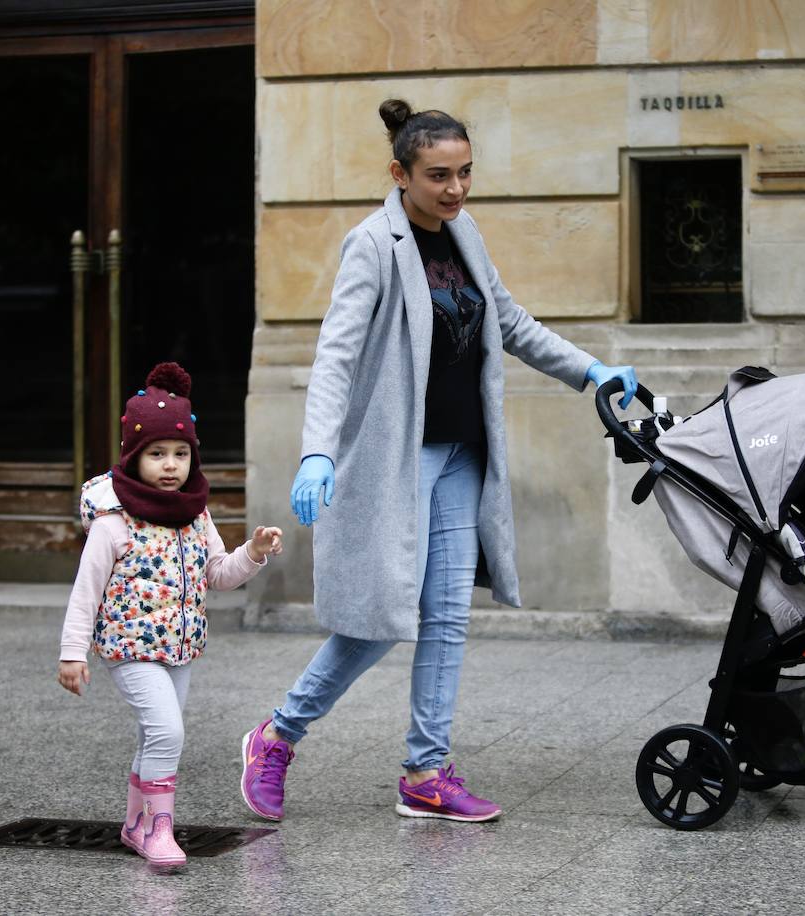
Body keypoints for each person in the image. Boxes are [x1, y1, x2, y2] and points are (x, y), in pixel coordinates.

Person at [239, 99, 638, 825]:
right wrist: (317, 451)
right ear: (400, 173)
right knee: (380, 617)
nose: (455, 190)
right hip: (397, 461)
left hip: (462, 456)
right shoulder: (373, 244)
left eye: (464, 174)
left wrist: (591, 371)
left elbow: (508, 321)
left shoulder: (465, 233)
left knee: (446, 616)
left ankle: (426, 770)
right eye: (438, 176)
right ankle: (276, 736)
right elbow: (335, 354)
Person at [59, 362, 283, 869]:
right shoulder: (113, 522)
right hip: (130, 647)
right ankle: (161, 829)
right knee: (167, 732)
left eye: (180, 454)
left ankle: (137, 824)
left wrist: (254, 549)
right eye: (156, 454)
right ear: (134, 458)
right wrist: (72, 652)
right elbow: (85, 589)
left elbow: (219, 574)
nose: (169, 465)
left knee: (154, 734)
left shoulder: (194, 514)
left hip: (179, 648)